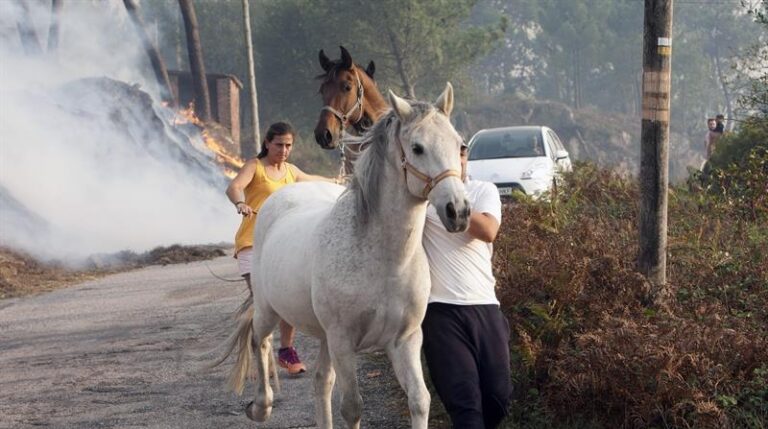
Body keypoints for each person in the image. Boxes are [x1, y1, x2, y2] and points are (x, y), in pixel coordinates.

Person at [226, 122, 337, 375]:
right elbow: (234, 187)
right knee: (265, 300)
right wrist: (240, 203)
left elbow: (313, 181)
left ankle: (286, 350)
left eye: (288, 146)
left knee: (284, 294)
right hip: (252, 243)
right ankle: (261, 346)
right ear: (267, 143)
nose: (284, 150)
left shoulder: (290, 171)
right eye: (279, 145)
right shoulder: (255, 167)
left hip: (280, 246)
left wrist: (337, 180)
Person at [421, 143, 512, 428]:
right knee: (465, 406)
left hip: (486, 306)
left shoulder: (483, 191)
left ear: (465, 158)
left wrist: (453, 200)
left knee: (498, 399)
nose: (455, 161)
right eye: (448, 154)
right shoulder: (422, 202)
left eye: (459, 154)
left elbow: (488, 231)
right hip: (440, 312)